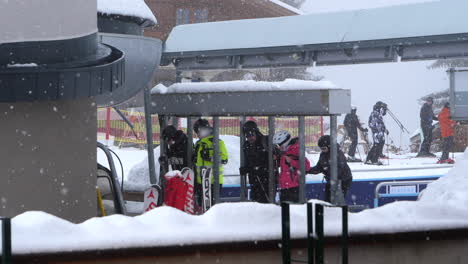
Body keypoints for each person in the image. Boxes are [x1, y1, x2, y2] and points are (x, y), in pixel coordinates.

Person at [239, 121, 277, 203]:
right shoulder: (246, 146)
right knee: (256, 203)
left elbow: (276, 158)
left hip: (267, 180)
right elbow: (248, 162)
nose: (250, 138)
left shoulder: (266, 141)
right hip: (254, 180)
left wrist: (260, 168)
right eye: (247, 136)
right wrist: (247, 169)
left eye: (252, 135)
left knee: (267, 202)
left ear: (256, 133)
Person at [307, 135, 353, 203]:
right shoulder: (323, 154)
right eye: (321, 149)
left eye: (324, 148)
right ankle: (329, 208)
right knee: (328, 199)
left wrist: (327, 170)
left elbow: (338, 170)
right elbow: (319, 167)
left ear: (330, 146)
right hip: (331, 180)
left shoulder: (338, 154)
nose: (322, 150)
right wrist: (307, 170)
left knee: (337, 199)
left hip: (343, 180)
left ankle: (337, 209)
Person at [193, 119, 228, 204]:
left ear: (205, 129)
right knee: (202, 206)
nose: (197, 134)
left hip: (213, 181)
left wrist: (209, 158)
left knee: (212, 206)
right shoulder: (198, 144)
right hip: (200, 181)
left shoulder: (217, 142)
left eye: (198, 131)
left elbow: (224, 159)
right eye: (196, 132)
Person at [273, 130, 310, 203]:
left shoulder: (296, 150)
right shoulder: (285, 152)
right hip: (284, 187)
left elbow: (306, 166)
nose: (278, 148)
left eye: (279, 145)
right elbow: (284, 168)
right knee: (285, 210)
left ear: (285, 143)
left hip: (294, 187)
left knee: (294, 211)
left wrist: (291, 161)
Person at [366, 101, 388, 165]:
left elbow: (380, 123)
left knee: (378, 145)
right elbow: (375, 124)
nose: (383, 111)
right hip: (377, 132)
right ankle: (373, 159)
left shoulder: (377, 114)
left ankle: (370, 159)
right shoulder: (375, 114)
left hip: (378, 132)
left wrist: (384, 129)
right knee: (377, 145)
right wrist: (380, 129)